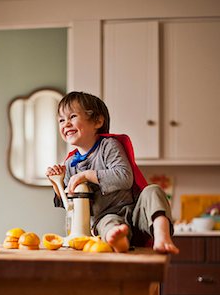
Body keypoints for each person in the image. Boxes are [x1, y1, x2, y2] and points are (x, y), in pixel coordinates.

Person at [46, 91, 179, 254]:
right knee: (108, 224)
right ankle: (119, 241)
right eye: (61, 120)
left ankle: (161, 236)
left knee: (153, 190)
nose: (65, 123)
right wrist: (56, 182)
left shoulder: (109, 146)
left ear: (98, 121)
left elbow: (124, 178)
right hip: (105, 216)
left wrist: (87, 175)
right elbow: (69, 205)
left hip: (135, 211)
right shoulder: (69, 163)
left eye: (72, 116)